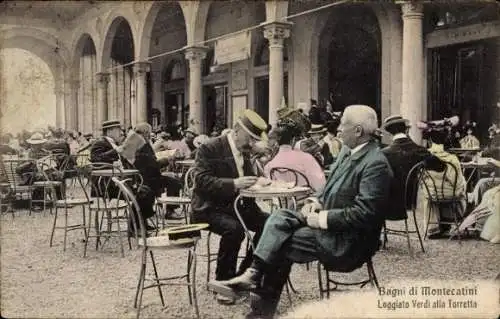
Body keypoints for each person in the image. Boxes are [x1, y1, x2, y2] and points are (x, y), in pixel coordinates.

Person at [209, 105, 393, 318]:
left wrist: (321, 219)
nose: (338, 129)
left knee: (281, 242)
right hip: (333, 228)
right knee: (278, 217)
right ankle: (253, 273)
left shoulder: (375, 164)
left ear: (358, 131)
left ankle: (259, 306)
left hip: (349, 240)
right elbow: (328, 184)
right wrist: (316, 200)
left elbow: (365, 214)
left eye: (343, 124)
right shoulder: (347, 151)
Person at [191, 109, 270, 304]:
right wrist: (234, 183)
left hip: (237, 207)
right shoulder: (210, 148)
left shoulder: (245, 151)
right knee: (234, 230)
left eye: (254, 140)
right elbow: (201, 181)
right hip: (209, 208)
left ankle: (245, 274)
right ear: (236, 130)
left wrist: (257, 183)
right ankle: (223, 283)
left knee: (270, 224)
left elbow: (246, 182)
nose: (252, 144)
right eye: (250, 138)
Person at [129, 123, 183, 231]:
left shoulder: (139, 143)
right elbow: (153, 164)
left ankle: (169, 209)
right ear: (145, 133)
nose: (151, 135)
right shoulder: (142, 145)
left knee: (173, 181)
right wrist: (167, 159)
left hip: (147, 176)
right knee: (175, 182)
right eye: (149, 133)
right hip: (148, 178)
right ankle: (170, 210)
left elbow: (151, 161)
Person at [381, 115, 433, 221]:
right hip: (413, 198)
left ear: (390, 133)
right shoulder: (420, 150)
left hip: (391, 202)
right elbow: (440, 166)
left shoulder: (384, 153)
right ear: (406, 130)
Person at [418, 126, 466, 238]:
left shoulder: (424, 156)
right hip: (451, 194)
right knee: (462, 183)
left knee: (427, 193)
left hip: (432, 194)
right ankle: (449, 220)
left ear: (430, 141)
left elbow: (421, 178)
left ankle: (433, 228)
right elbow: (456, 182)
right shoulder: (452, 158)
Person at [264, 119, 326, 192]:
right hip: (303, 201)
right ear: (293, 139)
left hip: (279, 202)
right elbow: (321, 186)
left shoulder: (270, 165)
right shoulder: (306, 158)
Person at [90, 120, 124, 197]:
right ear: (109, 131)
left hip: (115, 179)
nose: (121, 133)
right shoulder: (99, 142)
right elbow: (96, 158)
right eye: (118, 130)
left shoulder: (114, 143)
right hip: (105, 183)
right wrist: (115, 151)